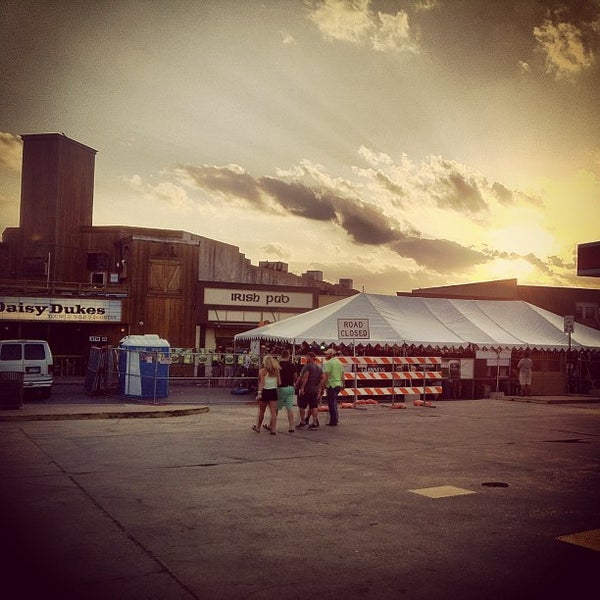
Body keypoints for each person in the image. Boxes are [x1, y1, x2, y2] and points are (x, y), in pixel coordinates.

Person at [252, 355, 280, 435]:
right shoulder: (276, 371)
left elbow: (262, 383)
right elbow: (279, 382)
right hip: (273, 391)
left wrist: (259, 393)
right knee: (273, 412)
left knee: (261, 411)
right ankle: (273, 429)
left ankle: (258, 427)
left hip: (265, 391)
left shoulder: (262, 371)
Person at [296, 351, 322, 430]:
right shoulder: (319, 368)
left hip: (307, 389)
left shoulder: (307, 367)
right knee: (314, 406)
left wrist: (302, 387)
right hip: (314, 389)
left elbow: (305, 377)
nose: (306, 358)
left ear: (310, 357)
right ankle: (314, 422)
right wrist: (319, 387)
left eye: (307, 357)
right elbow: (323, 378)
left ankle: (303, 421)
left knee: (302, 406)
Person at [275, 349, 297, 433]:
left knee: (276, 407)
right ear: (289, 355)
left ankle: (272, 425)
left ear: (281, 356)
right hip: (290, 388)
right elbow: (295, 377)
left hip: (281, 387)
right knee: (289, 407)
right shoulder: (293, 365)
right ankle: (291, 426)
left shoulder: (278, 365)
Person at [321, 347, 344, 426]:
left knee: (331, 403)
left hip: (331, 385)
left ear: (331, 354)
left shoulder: (329, 363)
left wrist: (322, 386)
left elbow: (326, 376)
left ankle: (333, 421)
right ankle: (336, 419)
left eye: (327, 354)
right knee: (334, 402)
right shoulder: (339, 362)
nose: (325, 355)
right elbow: (342, 375)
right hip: (338, 384)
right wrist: (343, 384)